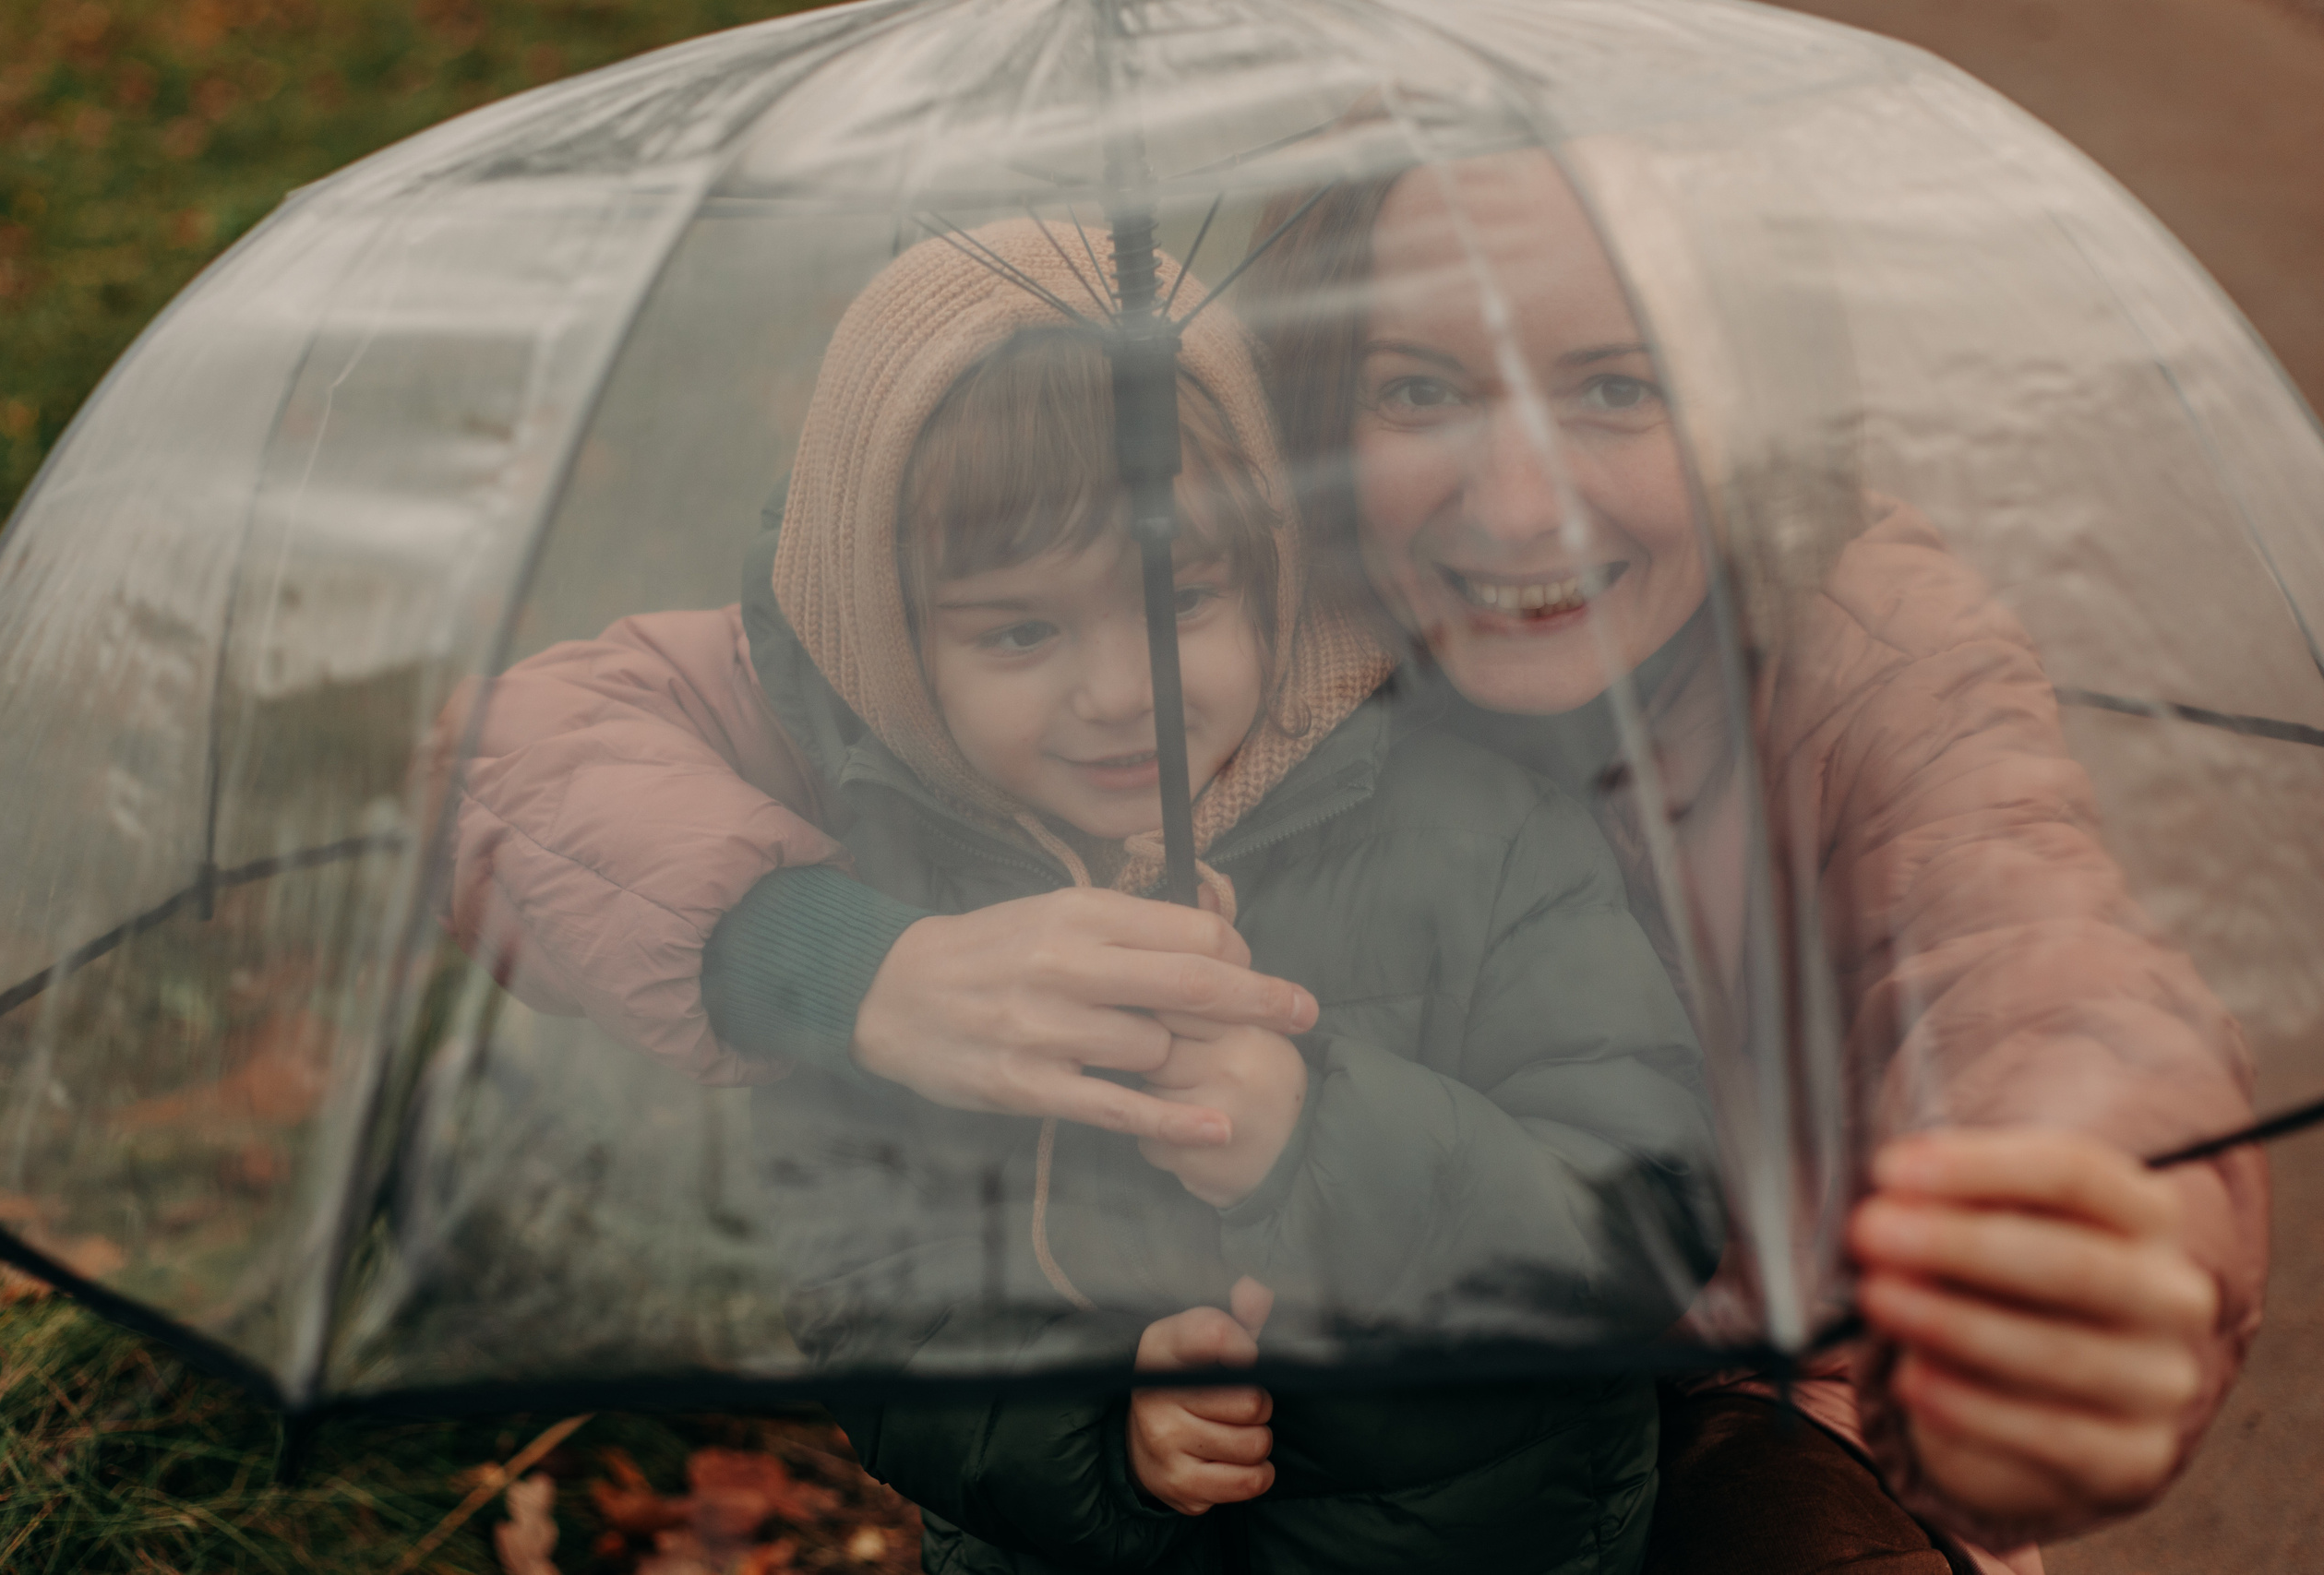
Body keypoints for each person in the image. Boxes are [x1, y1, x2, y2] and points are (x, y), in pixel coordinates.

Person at [445, 221, 1719, 1574]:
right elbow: (876, 1313)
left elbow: (1640, 1224)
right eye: (1021, 631)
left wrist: (1315, 1129)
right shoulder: (902, 908)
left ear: (1275, 568)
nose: (1120, 692)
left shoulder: (1480, 835)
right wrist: (1103, 1429)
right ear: (900, 640)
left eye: (1178, 600)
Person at [1228, 146, 2269, 1575]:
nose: (1523, 507)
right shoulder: (1229, 638)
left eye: (1616, 387)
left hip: (1779, 1408)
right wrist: (825, 925)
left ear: (1749, 402)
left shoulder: (1867, 649)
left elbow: (2030, 958)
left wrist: (2088, 1223)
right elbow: (919, 619)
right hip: (1358, 1423)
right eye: (1419, 388)